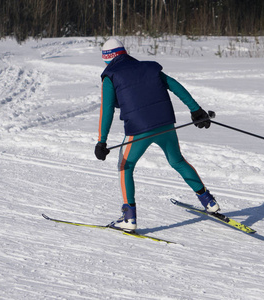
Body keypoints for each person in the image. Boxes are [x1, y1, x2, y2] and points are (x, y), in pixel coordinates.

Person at [94, 38, 219, 232]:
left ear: (107, 59)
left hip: (138, 130)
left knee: (124, 166)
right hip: (166, 124)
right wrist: (196, 110)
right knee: (178, 161)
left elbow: (107, 109)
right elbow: (175, 85)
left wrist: (102, 141)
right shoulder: (148, 68)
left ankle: (129, 218)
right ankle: (209, 202)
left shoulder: (110, 75)